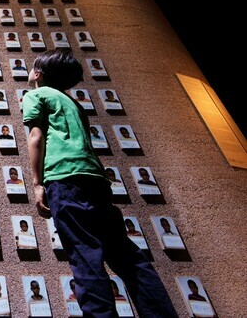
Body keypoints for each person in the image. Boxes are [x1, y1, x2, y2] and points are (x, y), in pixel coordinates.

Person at [22, 50, 178, 317]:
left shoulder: (36, 94)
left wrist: (37, 184)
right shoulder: (73, 104)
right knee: (125, 254)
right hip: (95, 181)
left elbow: (36, 137)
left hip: (64, 179)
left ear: (38, 74)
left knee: (85, 256)